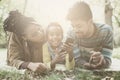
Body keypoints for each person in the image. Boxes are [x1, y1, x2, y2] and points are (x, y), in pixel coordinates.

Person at [66, 2, 113, 69]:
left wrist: (102, 60)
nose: (75, 30)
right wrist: (86, 64)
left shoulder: (106, 32)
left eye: (79, 26)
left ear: (90, 22)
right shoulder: (71, 33)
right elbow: (76, 59)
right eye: (73, 26)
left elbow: (107, 60)